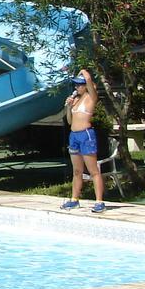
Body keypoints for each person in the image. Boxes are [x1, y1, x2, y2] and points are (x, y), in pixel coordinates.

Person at [61, 69, 106, 213]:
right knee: (77, 171)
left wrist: (81, 70)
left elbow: (87, 78)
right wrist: (69, 107)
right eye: (76, 85)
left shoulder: (91, 97)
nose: (77, 87)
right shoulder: (76, 100)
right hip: (74, 136)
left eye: (80, 85)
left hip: (86, 135)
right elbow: (69, 121)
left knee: (93, 170)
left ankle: (99, 201)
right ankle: (75, 199)